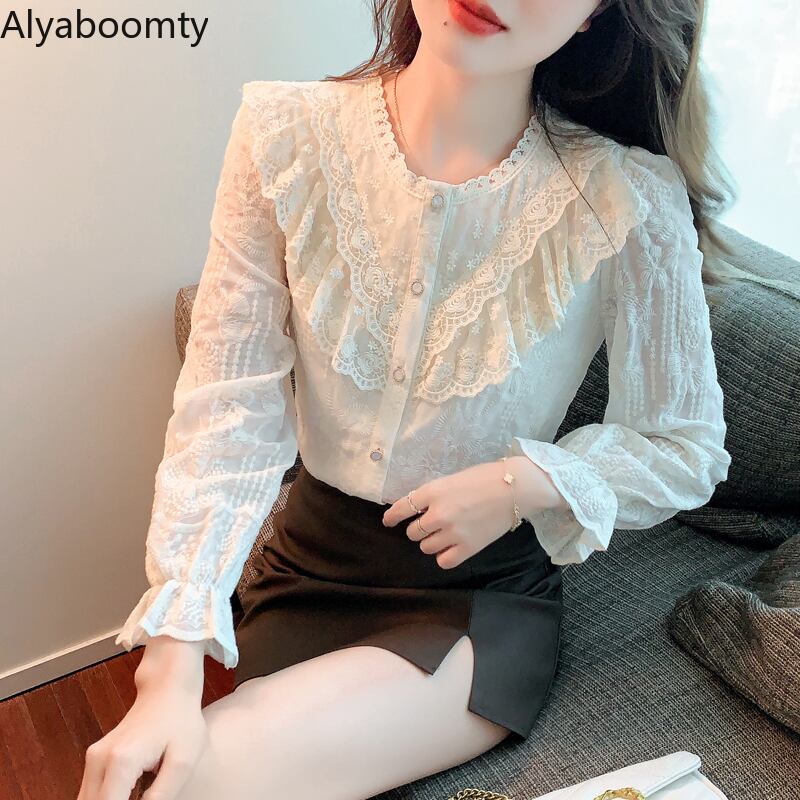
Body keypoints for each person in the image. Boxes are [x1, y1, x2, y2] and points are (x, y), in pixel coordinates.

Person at [77, 1, 739, 798]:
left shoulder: (628, 197)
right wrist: (173, 656)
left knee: (190, 784)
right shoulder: (282, 134)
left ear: (598, 12)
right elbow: (229, 405)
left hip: (475, 604)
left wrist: (525, 483)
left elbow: (684, 444)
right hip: (302, 571)